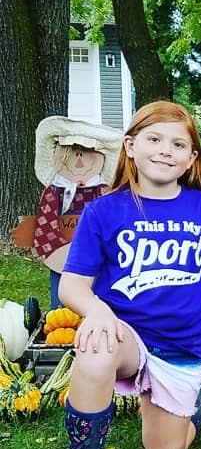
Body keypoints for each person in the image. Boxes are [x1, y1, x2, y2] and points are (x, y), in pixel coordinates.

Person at [58, 101, 201, 449]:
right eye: (154, 139)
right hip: (127, 336)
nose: (165, 150)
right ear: (130, 146)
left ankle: (193, 401)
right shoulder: (104, 211)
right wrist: (99, 312)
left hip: (180, 346)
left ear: (192, 158)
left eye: (179, 144)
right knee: (96, 345)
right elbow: (71, 285)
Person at [9, 117, 122, 309]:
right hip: (60, 256)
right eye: (72, 153)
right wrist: (58, 252)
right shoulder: (54, 192)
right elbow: (46, 223)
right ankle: (60, 318)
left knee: (98, 293)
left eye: (86, 152)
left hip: (97, 258)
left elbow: (111, 222)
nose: (79, 159)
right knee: (61, 297)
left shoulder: (103, 193)